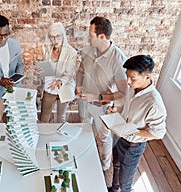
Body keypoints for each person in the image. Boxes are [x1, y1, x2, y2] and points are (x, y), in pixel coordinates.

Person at [75, 16, 128, 186]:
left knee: (103, 139)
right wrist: (78, 86)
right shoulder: (88, 50)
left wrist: (97, 97)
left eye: (91, 34)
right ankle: (84, 157)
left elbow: (122, 93)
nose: (88, 38)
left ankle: (104, 169)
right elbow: (80, 71)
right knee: (84, 128)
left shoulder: (119, 59)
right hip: (84, 103)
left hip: (102, 107)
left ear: (102, 37)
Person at [108, 55, 167, 192]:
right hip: (120, 139)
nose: (128, 81)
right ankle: (113, 188)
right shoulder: (132, 88)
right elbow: (126, 106)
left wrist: (133, 131)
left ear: (147, 77)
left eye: (132, 78)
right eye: (127, 76)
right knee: (116, 166)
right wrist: (116, 109)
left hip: (133, 147)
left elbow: (159, 133)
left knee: (126, 184)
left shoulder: (154, 102)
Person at [39, 22, 77, 123]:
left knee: (61, 117)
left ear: (63, 35)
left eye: (58, 36)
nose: (55, 40)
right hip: (49, 87)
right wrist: (38, 70)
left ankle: (60, 138)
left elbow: (69, 74)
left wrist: (59, 81)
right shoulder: (46, 49)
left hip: (63, 86)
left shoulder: (71, 52)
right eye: (52, 37)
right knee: (44, 118)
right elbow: (45, 69)